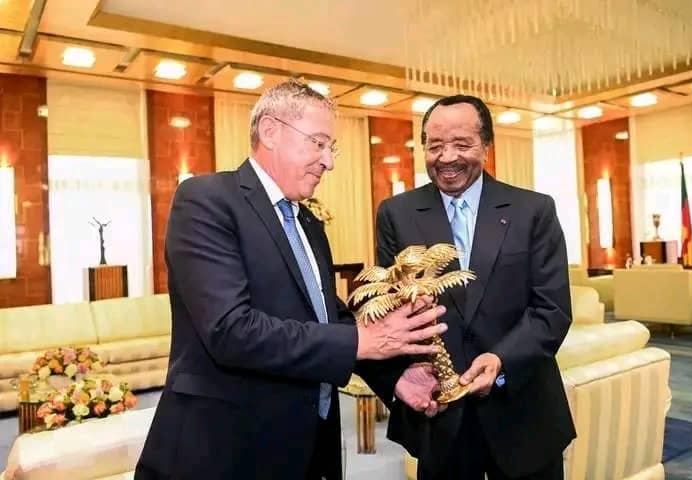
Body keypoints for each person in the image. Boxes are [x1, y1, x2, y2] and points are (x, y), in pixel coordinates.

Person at [134, 79, 447, 480]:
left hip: (310, 445)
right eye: (318, 143)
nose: (328, 161)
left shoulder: (309, 222)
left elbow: (328, 317)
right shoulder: (207, 200)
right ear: (270, 131)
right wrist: (363, 340)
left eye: (331, 148)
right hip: (226, 448)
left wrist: (395, 378)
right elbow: (231, 330)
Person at [374, 94, 576, 479]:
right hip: (440, 416)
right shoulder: (396, 214)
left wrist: (501, 360)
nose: (447, 157)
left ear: (486, 146)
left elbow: (552, 310)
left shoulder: (533, 210)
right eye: (435, 146)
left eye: (462, 144)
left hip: (523, 414)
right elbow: (391, 305)